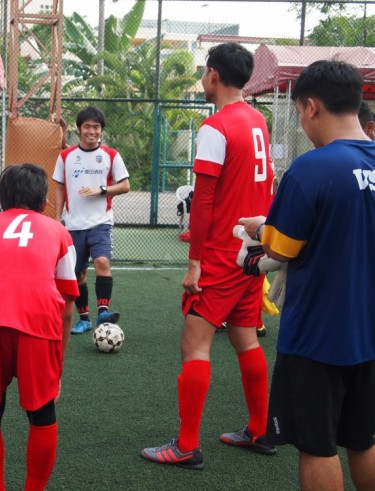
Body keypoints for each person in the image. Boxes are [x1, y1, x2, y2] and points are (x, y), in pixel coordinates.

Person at [240, 60, 375, 491]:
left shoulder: (311, 168)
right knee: (364, 439)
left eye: (299, 111)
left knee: (317, 447)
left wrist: (258, 228)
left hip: (318, 337)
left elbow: (280, 249)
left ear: (311, 106)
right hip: (370, 335)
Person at [141, 43, 275, 470]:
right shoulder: (257, 120)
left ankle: (186, 446)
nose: (203, 78)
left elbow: (203, 200)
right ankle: (259, 429)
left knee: (194, 344)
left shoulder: (216, 126)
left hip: (221, 253)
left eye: (204, 72)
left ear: (213, 75)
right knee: (245, 338)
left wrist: (194, 261)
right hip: (252, 249)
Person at [0, 163, 78, 491]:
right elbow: (67, 306)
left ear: (1, 198)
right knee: (41, 411)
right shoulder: (59, 232)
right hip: (38, 320)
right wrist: (58, 368)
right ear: (44, 202)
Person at [52, 107, 130, 334]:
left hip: (101, 222)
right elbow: (59, 188)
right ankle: (84, 319)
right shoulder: (65, 157)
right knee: (77, 274)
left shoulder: (111, 155)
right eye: (87, 126)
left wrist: (102, 190)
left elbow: (125, 185)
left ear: (101, 130)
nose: (92, 131)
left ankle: (103, 312)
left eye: (96, 127)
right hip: (73, 225)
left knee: (102, 262)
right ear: (79, 129)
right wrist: (57, 219)